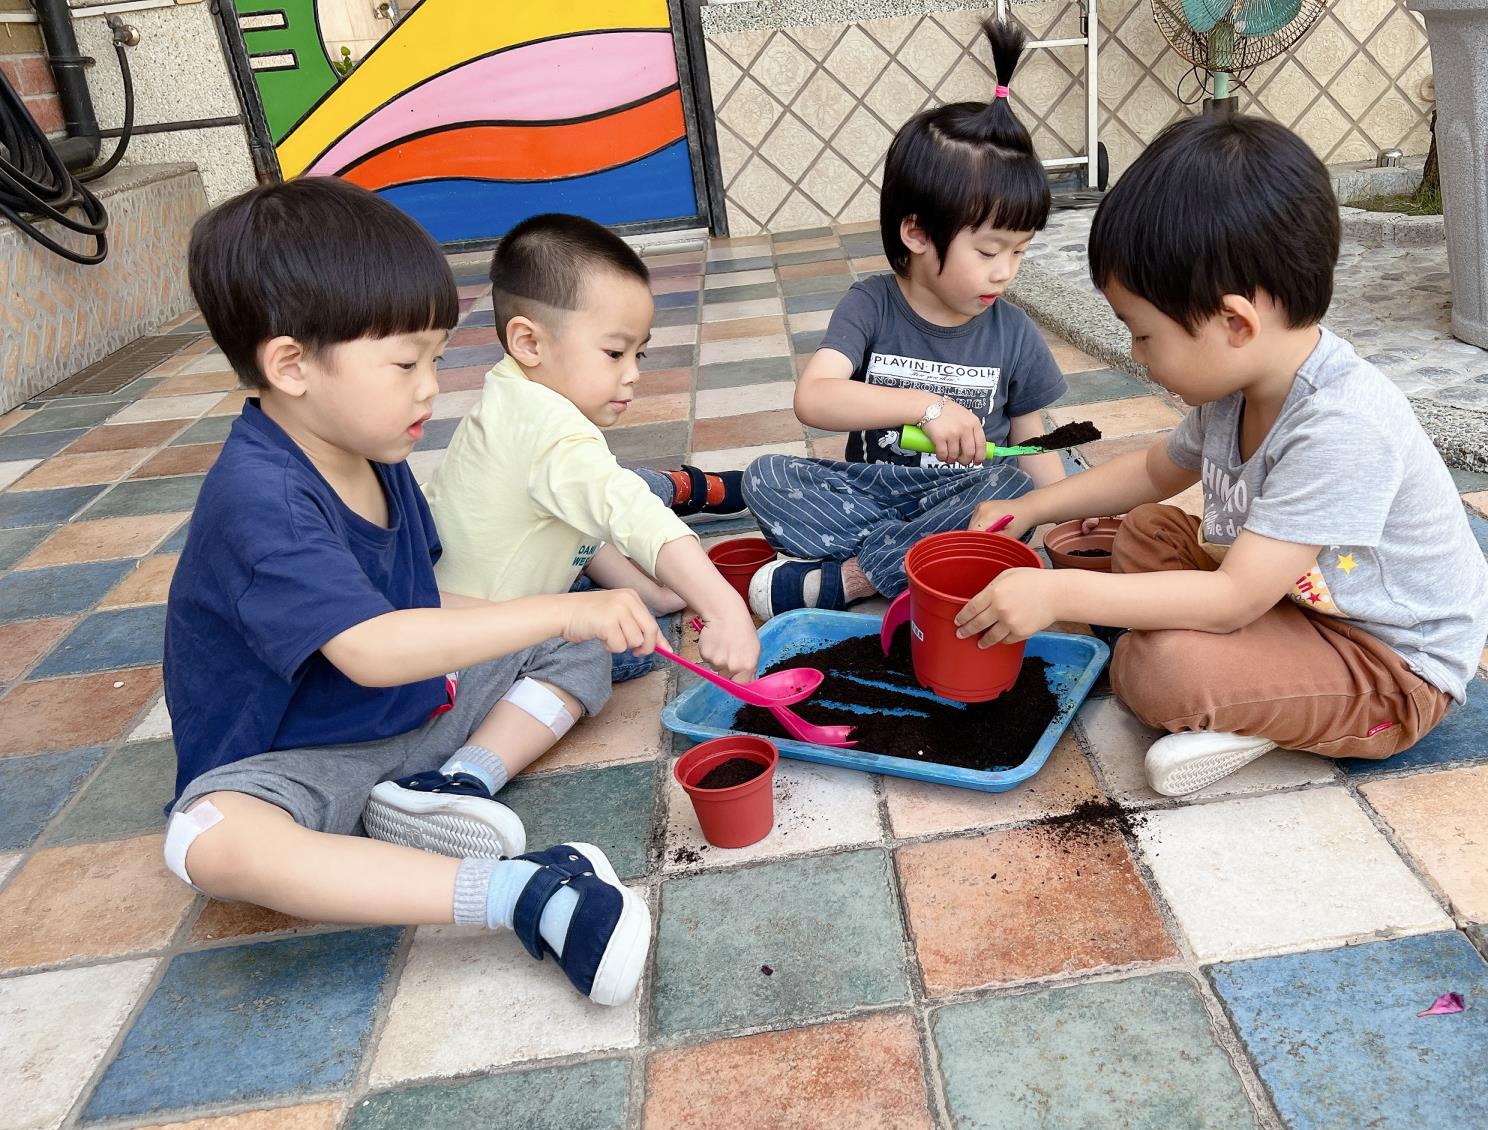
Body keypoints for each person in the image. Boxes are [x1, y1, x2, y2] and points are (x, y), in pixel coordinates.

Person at [160, 177, 654, 1006]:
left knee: (568, 646)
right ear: (291, 365)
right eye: (405, 362)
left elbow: (421, 604)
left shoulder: (375, 451)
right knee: (207, 841)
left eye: (436, 357)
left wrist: (567, 620)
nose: (431, 385)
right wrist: (564, 606)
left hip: (418, 717)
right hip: (300, 762)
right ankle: (520, 892)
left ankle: (458, 784)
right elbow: (373, 649)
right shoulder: (261, 498)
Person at [957, 114, 1488, 797]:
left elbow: (1234, 597)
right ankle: (1261, 687)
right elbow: (1152, 472)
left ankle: (1262, 714)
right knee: (1146, 531)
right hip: (1293, 604)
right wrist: (1033, 505)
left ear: (1235, 323)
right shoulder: (1239, 387)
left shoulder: (1343, 425)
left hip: (1388, 664)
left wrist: (1057, 592)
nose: (1137, 356)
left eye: (1144, 335)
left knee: (1159, 672)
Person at [738, 16, 1068, 618]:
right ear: (915, 232)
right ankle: (922, 561)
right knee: (764, 476)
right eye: (988, 251)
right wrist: (927, 407)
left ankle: (854, 577)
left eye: (1019, 252)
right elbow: (815, 398)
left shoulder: (1014, 332)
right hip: (872, 492)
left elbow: (1031, 440)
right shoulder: (871, 304)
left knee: (1015, 491)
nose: (1004, 272)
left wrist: (1068, 513)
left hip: (964, 495)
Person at [424, 213, 759, 681]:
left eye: (638, 354)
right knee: (629, 650)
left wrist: (655, 593)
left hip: (464, 608)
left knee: (632, 604)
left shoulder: (513, 395)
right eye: (614, 353)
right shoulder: (551, 430)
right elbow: (628, 511)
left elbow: (580, 525)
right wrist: (725, 609)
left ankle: (682, 499)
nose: (633, 373)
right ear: (529, 342)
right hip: (475, 655)